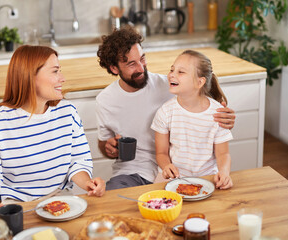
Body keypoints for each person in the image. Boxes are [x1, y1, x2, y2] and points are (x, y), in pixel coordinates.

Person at [0, 45, 105, 218]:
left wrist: (89, 183)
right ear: (30, 77)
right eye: (55, 71)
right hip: (16, 206)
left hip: (60, 200)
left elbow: (77, 162)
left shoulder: (68, 113)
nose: (62, 78)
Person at [96, 26, 235, 190]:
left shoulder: (171, 86)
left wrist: (224, 116)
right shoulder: (105, 100)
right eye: (132, 64)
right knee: (116, 203)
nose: (141, 68)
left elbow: (203, 101)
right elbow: (103, 144)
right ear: (114, 68)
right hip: (134, 172)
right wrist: (109, 148)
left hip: (179, 172)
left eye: (142, 58)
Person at [151, 50, 233, 189]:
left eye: (180, 72)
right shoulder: (165, 112)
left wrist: (224, 173)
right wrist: (166, 166)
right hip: (172, 179)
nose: (172, 74)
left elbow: (223, 153)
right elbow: (161, 153)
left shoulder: (217, 113)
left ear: (200, 82)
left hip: (207, 179)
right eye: (172, 69)